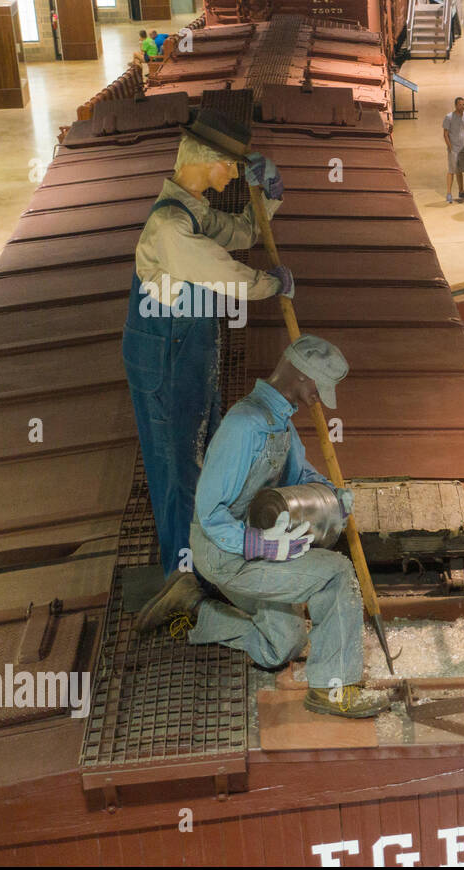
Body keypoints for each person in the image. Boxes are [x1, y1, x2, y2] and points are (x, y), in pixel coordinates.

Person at [134, 336, 390, 720]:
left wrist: (333, 496)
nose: (320, 398)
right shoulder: (244, 426)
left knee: (283, 646)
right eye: (319, 388)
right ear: (301, 376)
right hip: (225, 554)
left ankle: (193, 607)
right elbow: (208, 512)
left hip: (250, 542)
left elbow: (299, 473)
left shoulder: (278, 421)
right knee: (335, 574)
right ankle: (332, 689)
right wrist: (259, 545)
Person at [125, 116, 292, 578]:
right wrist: (269, 284)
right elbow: (225, 273)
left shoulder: (191, 208)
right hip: (164, 351)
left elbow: (241, 234)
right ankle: (184, 572)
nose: (236, 175)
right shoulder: (173, 227)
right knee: (178, 461)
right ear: (209, 161)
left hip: (186, 341)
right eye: (232, 166)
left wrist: (271, 198)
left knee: (202, 445)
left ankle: (207, 551)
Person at [442, 96, 464, 204]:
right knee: (452, 171)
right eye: (460, 105)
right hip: (454, 149)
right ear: (455, 105)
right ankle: (449, 193)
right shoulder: (449, 117)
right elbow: (445, 134)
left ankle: (461, 191)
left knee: (460, 170)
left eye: (463, 104)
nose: (462, 107)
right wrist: (450, 147)